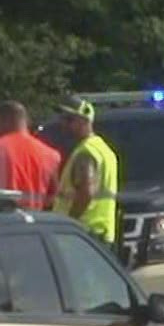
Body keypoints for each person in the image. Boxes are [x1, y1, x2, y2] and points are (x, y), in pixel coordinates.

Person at [0, 101, 61, 210]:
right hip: (31, 221)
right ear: (26, 122)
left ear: (3, 121)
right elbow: (52, 198)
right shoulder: (51, 155)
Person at [50, 96, 120, 247]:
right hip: (99, 232)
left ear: (85, 121)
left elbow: (86, 193)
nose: (63, 124)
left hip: (83, 232)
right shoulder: (104, 150)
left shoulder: (86, 152)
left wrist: (69, 224)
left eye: (69, 119)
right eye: (62, 119)